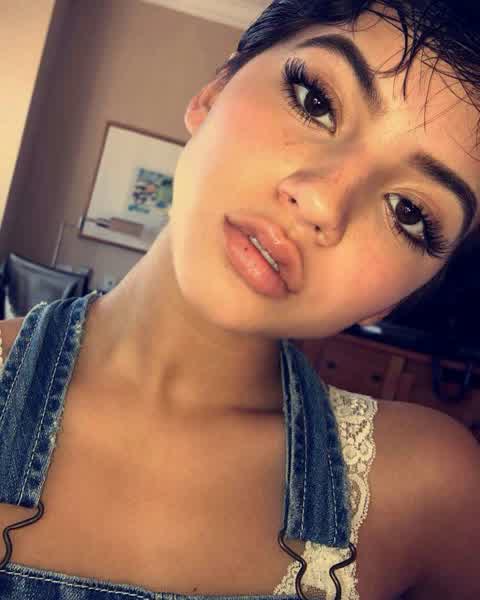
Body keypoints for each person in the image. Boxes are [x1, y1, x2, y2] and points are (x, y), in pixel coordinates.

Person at [0, 1, 479, 598]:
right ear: (213, 92)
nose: (322, 203)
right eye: (316, 102)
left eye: (408, 212)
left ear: (406, 293)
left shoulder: (434, 496)